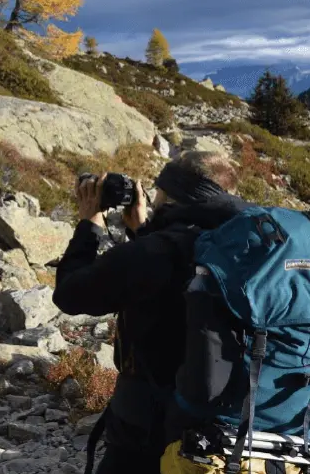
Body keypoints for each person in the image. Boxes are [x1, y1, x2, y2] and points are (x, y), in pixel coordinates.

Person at [54, 151, 248, 474]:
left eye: (158, 193)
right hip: (236, 430)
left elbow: (70, 294)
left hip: (149, 434)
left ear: (172, 195)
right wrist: (144, 230)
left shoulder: (154, 252)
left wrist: (89, 224)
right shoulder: (242, 246)